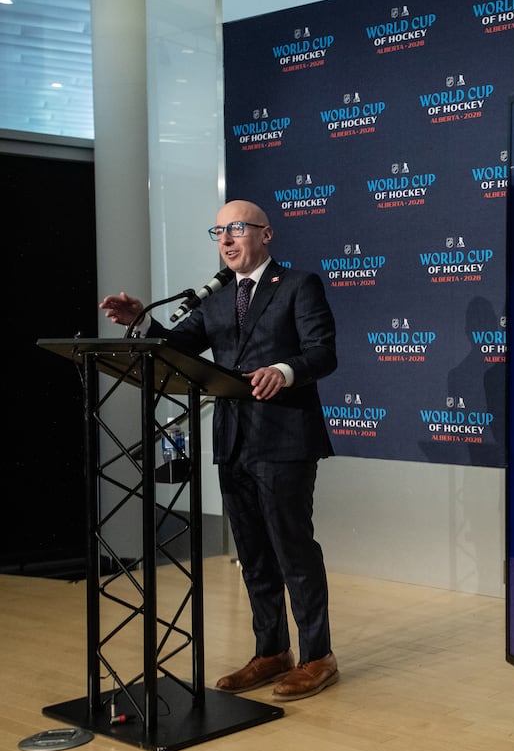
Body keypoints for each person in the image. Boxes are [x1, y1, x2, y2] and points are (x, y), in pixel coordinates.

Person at [100, 199, 340, 702]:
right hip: (233, 439)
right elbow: (173, 348)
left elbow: (323, 352)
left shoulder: (298, 285)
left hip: (285, 439)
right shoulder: (215, 299)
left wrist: (286, 370)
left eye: (236, 229)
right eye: (219, 232)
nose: (227, 240)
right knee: (252, 554)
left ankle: (318, 656)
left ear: (266, 233)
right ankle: (272, 651)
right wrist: (142, 321)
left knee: (292, 549)